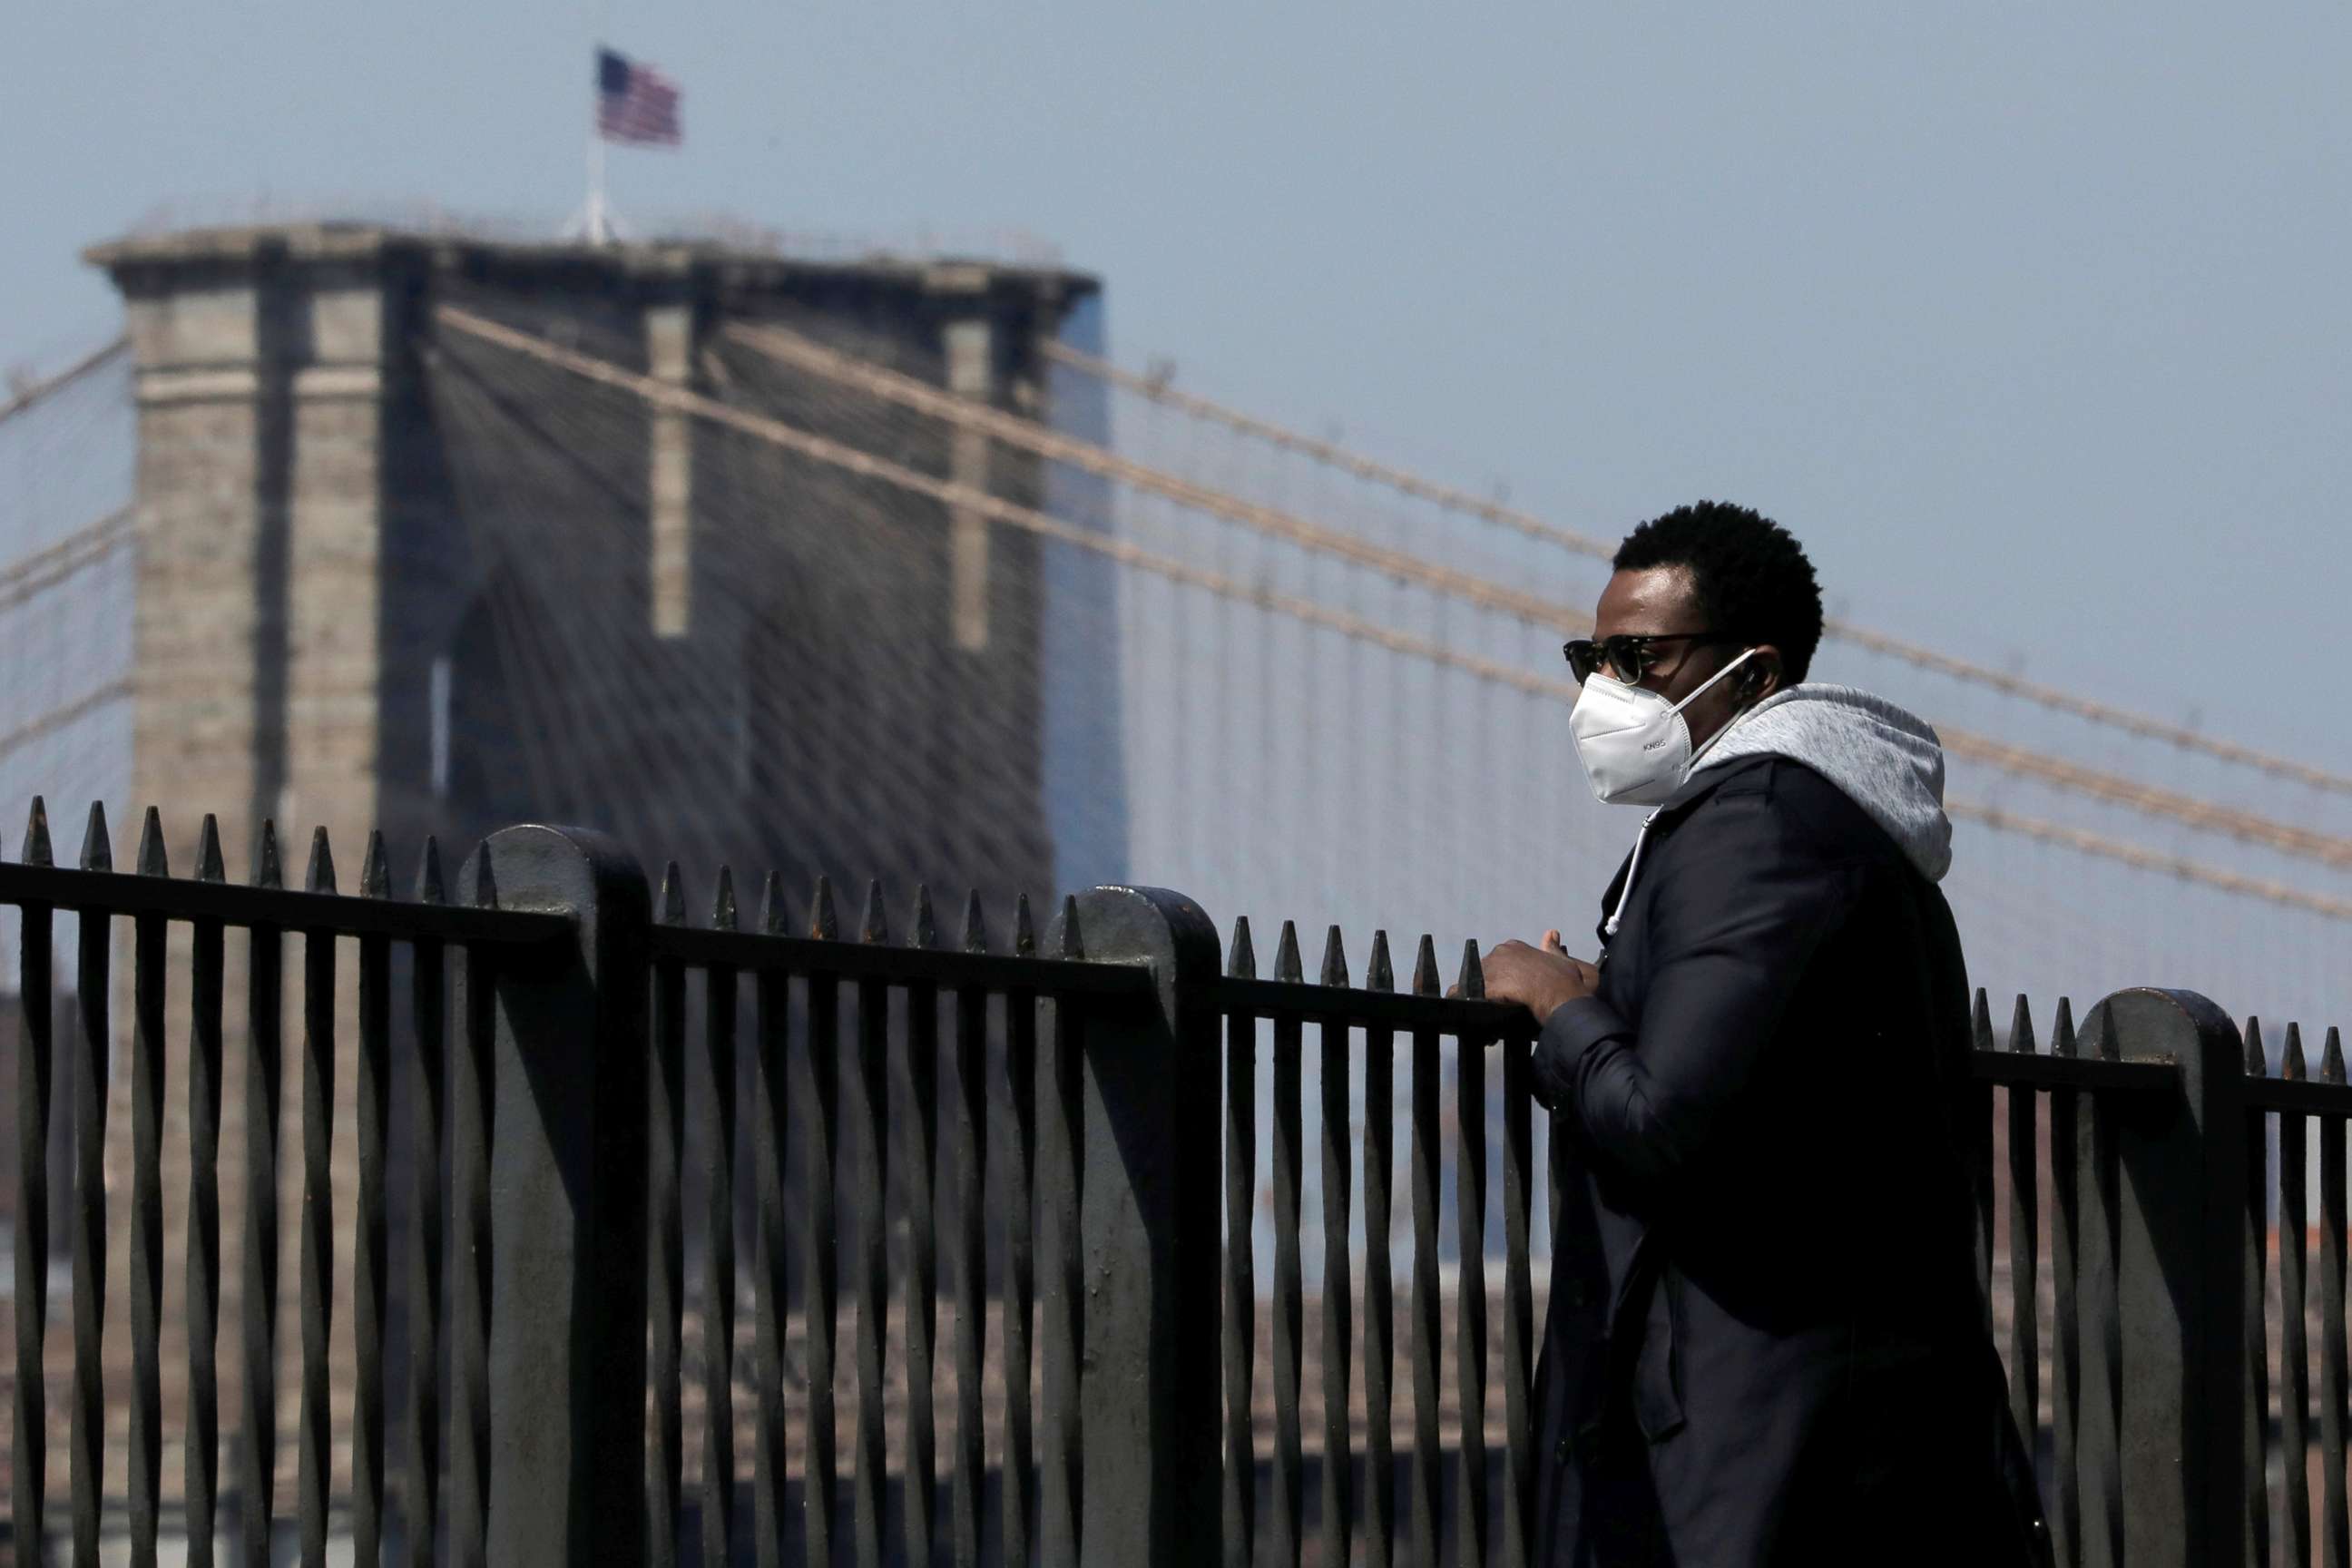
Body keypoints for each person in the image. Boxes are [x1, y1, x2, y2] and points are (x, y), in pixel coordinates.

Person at [1474, 502, 2053, 1566]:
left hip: (1764, 1435)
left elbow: (1661, 1119)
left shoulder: (1755, 823)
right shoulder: (1826, 819)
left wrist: (1558, 1005)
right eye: (1590, 659)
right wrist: (1623, 993)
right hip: (1834, 1416)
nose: (1607, 691)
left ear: (1752, 671)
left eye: (1640, 658)